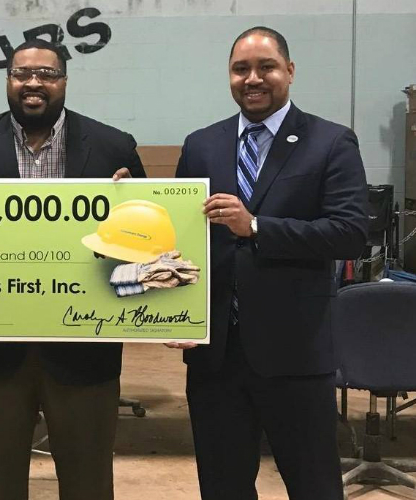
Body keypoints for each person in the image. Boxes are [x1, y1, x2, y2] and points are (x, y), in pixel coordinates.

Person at [0, 38, 146, 500]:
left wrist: (131, 203)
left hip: (84, 353)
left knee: (89, 487)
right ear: (8, 81)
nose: (33, 83)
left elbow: (145, 243)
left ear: (64, 81)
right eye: (22, 74)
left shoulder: (112, 148)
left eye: (46, 74)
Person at [173, 26, 368, 500]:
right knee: (223, 487)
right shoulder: (202, 144)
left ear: (290, 71)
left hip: (294, 354)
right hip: (215, 356)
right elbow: (179, 236)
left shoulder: (330, 142)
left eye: (266, 67)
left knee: (313, 486)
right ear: (230, 77)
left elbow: (350, 233)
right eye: (241, 69)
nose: (253, 78)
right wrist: (170, 308)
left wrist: (257, 227)